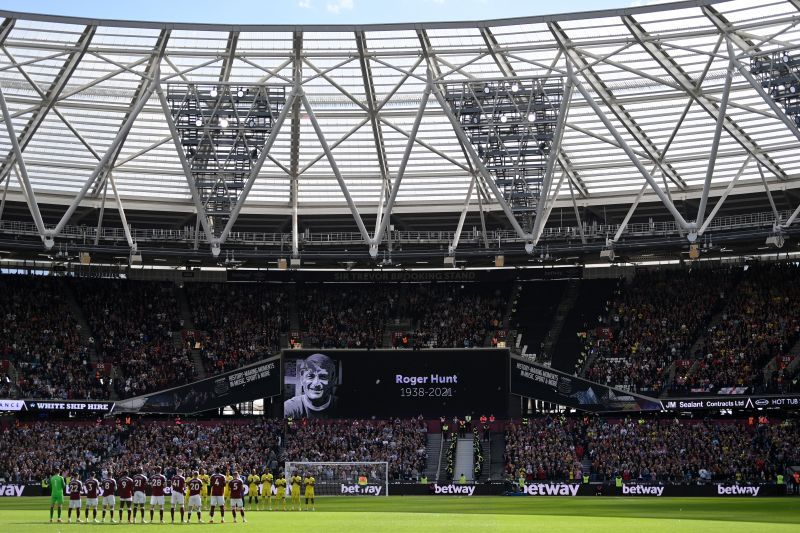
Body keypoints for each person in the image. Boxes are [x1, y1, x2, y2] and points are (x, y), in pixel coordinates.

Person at [284, 353, 338, 419]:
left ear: (333, 380)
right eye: (310, 376)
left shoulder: (344, 406)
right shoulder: (289, 408)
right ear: (302, 378)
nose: (316, 383)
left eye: (323, 377)